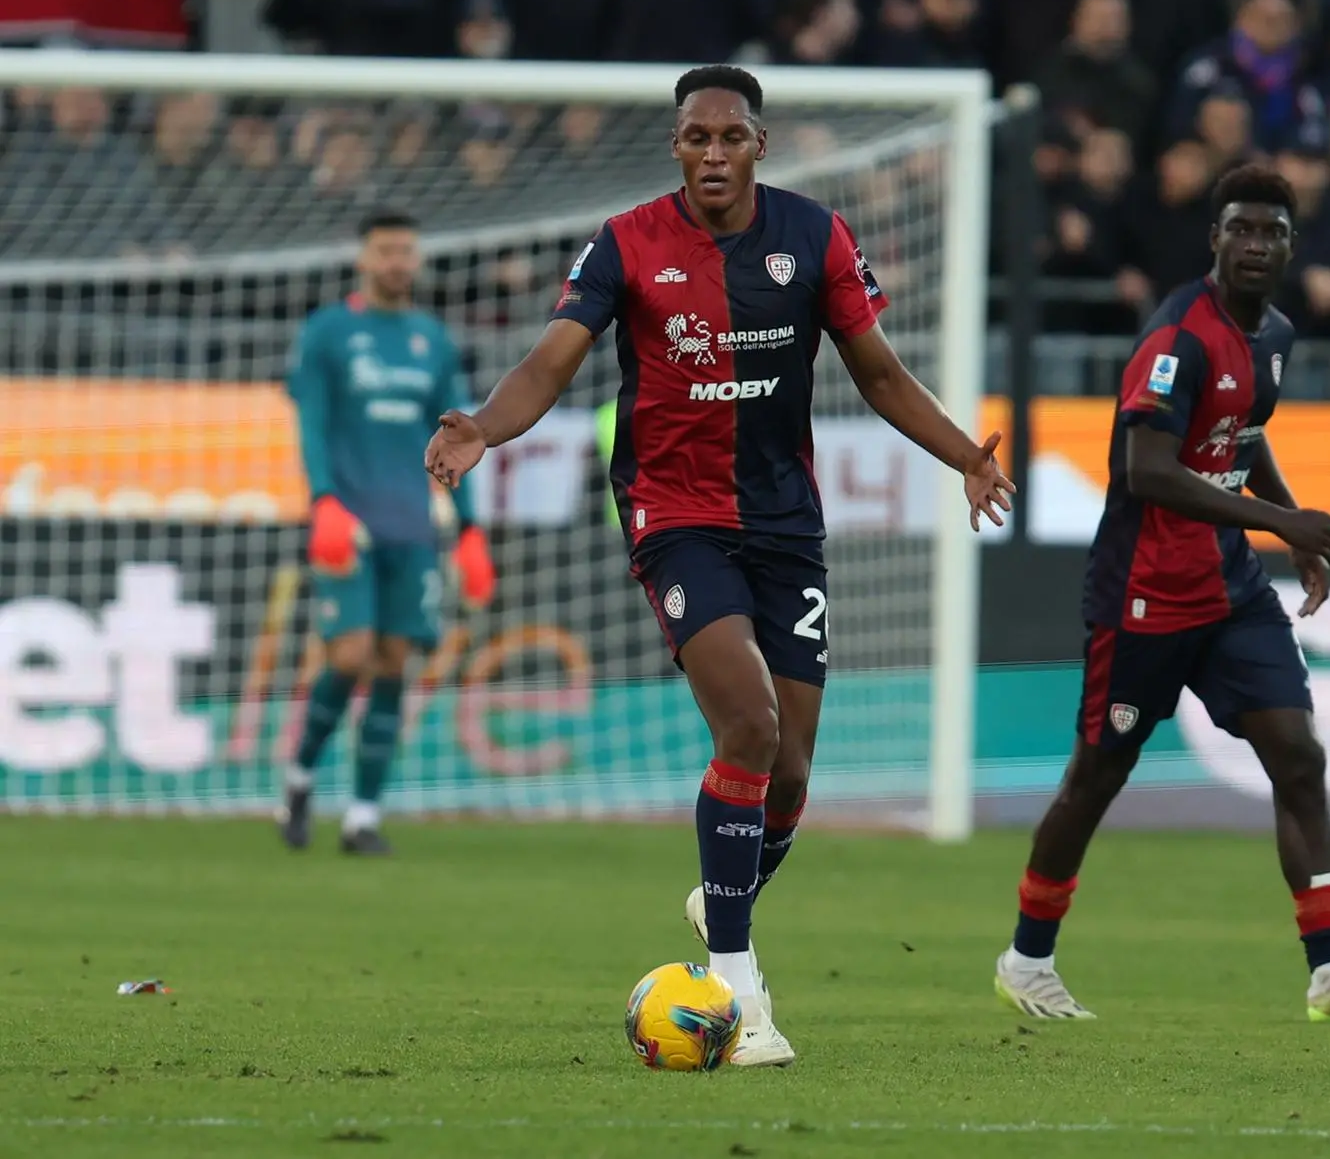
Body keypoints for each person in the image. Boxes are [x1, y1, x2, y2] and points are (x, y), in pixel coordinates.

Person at [422, 65, 1013, 1067]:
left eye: (728, 137)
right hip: (674, 516)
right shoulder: (625, 244)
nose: (710, 153)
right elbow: (550, 361)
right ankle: (740, 993)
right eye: (693, 137)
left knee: (787, 776)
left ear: (757, 147)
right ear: (675, 147)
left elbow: (876, 371)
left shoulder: (814, 237)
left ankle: (720, 892)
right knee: (747, 721)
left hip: (785, 524)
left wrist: (963, 456)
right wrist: (484, 426)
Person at [991, 164, 1330, 1024]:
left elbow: (1242, 438)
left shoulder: (1277, 336)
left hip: (1229, 588)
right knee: (1096, 777)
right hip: (1142, 596)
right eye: (1240, 228)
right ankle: (1027, 958)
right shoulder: (1176, 339)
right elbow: (1147, 469)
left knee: (1299, 754)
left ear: (1291, 247)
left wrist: (1291, 527)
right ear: (1214, 238)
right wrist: (1277, 521)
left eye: (1272, 232)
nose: (1255, 244)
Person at [281, 211, 495, 856]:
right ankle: (299, 774)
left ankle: (363, 816)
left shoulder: (431, 339)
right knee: (347, 657)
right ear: (363, 260)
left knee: (394, 665)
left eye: (407, 249)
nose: (398, 260)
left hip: (412, 524)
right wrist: (322, 502)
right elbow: (312, 425)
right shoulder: (328, 333)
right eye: (386, 250)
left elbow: (462, 438)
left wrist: (471, 530)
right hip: (348, 522)